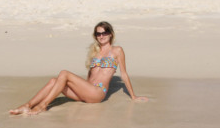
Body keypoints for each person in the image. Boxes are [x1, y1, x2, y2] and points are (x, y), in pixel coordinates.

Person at [9, 21, 148, 115]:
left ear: (110, 34)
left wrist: (133, 96)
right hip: (87, 92)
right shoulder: (95, 52)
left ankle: (43, 105)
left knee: (64, 73)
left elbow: (124, 74)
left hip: (98, 93)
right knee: (53, 81)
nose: (101, 36)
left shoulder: (117, 50)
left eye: (104, 33)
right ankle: (27, 105)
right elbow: (90, 76)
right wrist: (82, 87)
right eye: (98, 34)